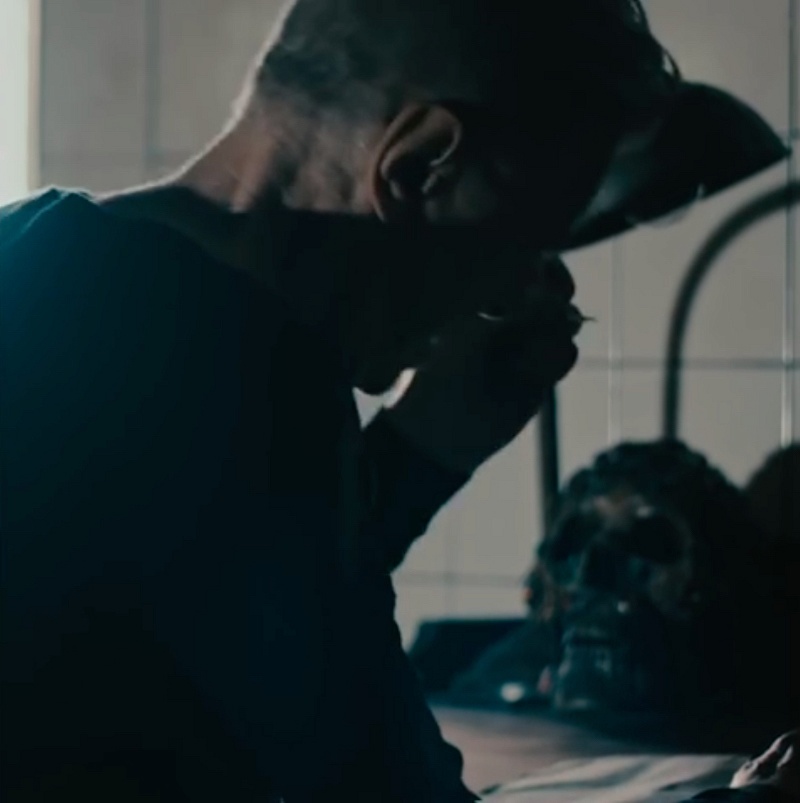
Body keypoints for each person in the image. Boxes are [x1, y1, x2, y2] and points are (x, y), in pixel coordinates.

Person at [0, 0, 682, 800]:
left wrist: (421, 452)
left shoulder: (37, 253)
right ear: (418, 166)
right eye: (526, 238)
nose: (515, 292)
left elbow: (224, 604)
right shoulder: (244, 373)